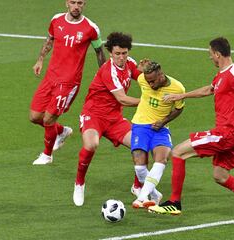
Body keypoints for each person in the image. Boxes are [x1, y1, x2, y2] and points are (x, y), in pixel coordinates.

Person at [148, 37, 234, 223]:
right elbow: (208, 90)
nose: (210, 59)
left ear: (217, 54)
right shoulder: (222, 74)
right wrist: (182, 95)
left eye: (211, 55)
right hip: (231, 134)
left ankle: (174, 203)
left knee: (177, 152)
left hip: (226, 133)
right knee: (220, 176)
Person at [73, 32, 148, 206]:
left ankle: (137, 187)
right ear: (110, 54)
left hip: (114, 118)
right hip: (94, 115)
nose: (121, 57)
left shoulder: (130, 64)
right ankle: (79, 183)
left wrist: (150, 72)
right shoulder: (108, 71)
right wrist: (147, 102)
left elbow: (143, 79)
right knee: (91, 144)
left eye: (124, 53)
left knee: (141, 144)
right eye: (117, 54)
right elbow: (122, 98)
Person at [29, 0, 106, 165]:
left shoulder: (91, 28)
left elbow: (99, 52)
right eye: (73, 2)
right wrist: (40, 60)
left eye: (80, 3)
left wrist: (105, 78)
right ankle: (62, 131)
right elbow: (49, 40)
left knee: (48, 119)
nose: (76, 6)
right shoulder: (56, 20)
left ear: (84, 4)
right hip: (50, 77)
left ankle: (47, 155)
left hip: (69, 82)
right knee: (35, 117)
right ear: (67, 3)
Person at [130, 61, 185, 209]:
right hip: (140, 125)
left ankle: (142, 197)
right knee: (140, 168)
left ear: (161, 75)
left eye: (153, 81)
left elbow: (179, 109)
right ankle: (154, 195)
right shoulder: (143, 79)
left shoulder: (177, 88)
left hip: (160, 129)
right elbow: (133, 71)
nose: (151, 85)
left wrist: (164, 121)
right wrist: (138, 67)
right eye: (148, 81)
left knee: (161, 160)